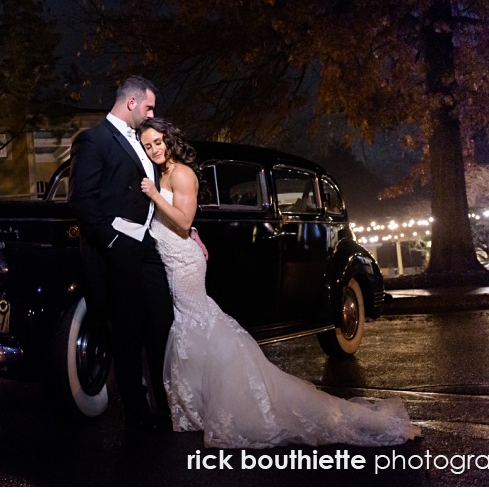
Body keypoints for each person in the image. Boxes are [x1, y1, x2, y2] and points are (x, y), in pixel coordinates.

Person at [137, 117, 422, 448]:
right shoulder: (163, 174)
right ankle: (198, 403)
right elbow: (185, 222)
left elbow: (184, 220)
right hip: (172, 258)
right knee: (190, 328)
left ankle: (225, 400)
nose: (154, 149)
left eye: (158, 142)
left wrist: (156, 197)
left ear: (169, 140)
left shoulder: (182, 173)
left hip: (183, 263)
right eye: (148, 145)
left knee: (197, 323)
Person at [69, 76, 174, 431]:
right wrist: (111, 242)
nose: (151, 114)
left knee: (161, 321)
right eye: (149, 107)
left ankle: (165, 402)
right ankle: (137, 413)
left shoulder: (142, 142)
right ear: (131, 103)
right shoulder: (94, 139)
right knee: (127, 334)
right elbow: (82, 198)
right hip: (116, 249)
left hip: (147, 247)